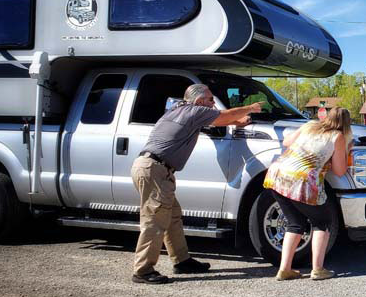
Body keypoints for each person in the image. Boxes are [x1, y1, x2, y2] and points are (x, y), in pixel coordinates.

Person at [130, 84, 263, 284]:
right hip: (155, 170)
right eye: (211, 100)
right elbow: (222, 116)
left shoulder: (178, 110)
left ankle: (182, 261)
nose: (213, 103)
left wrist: (236, 122)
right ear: (199, 102)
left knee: (172, 216)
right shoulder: (194, 110)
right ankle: (143, 270)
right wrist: (250, 108)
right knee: (155, 221)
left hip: (152, 168)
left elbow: (216, 122)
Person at [263, 107, 353, 281]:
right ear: (346, 123)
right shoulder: (337, 136)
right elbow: (340, 171)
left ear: (327, 116)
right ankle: (318, 269)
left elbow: (286, 142)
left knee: (295, 223)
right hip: (301, 181)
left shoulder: (310, 125)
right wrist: (347, 151)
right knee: (322, 221)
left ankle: (285, 269)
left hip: (277, 175)